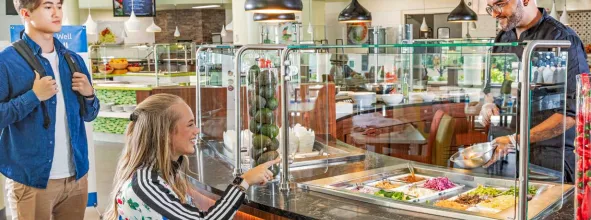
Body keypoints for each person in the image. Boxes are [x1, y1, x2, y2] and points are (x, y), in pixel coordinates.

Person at [0, 0, 100, 219]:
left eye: (59, 6)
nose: (57, 13)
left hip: (76, 179)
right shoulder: (6, 62)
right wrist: (33, 96)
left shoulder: (72, 60)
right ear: (26, 13)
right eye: (47, 7)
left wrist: (89, 94)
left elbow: (90, 115)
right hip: (31, 181)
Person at [106, 94, 280, 220]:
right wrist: (243, 182)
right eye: (190, 125)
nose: (196, 130)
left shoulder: (165, 172)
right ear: (164, 134)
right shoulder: (147, 184)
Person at [480, 0, 590, 182]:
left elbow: (573, 113)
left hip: (547, 163)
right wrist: (488, 103)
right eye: (491, 7)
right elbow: (492, 86)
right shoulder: (502, 37)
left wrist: (516, 140)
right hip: (503, 156)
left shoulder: (561, 38)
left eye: (500, 4)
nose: (494, 14)